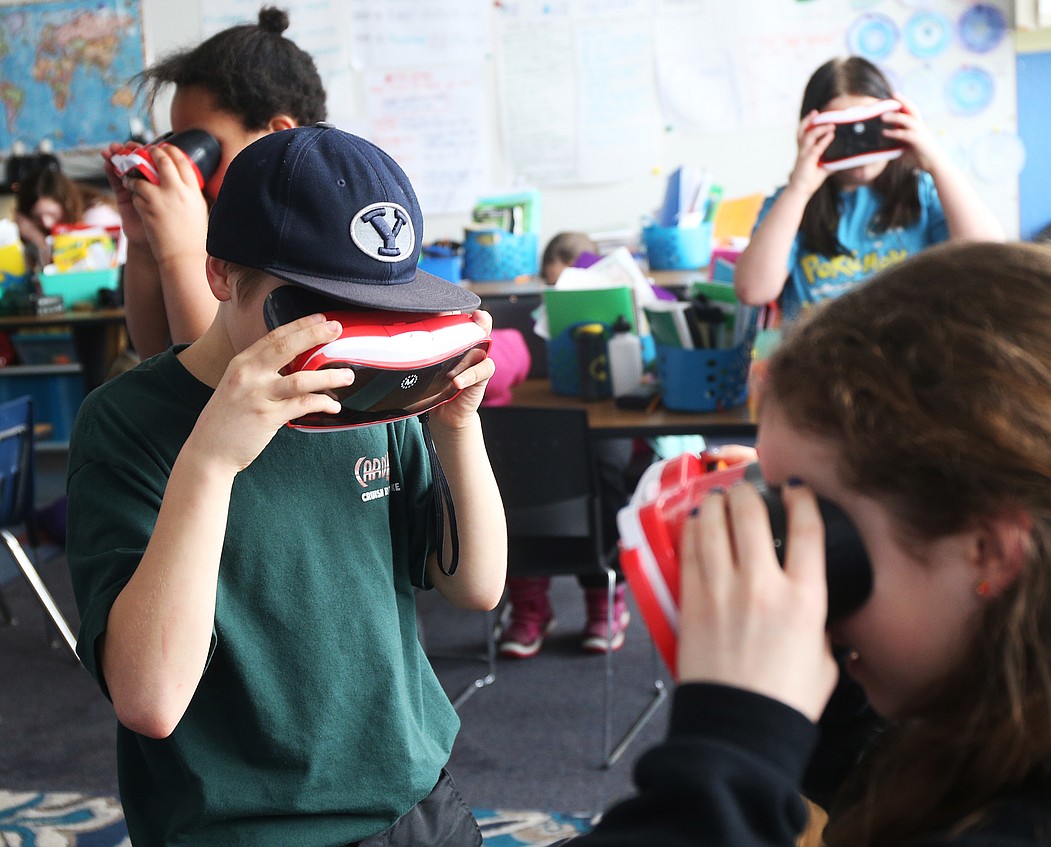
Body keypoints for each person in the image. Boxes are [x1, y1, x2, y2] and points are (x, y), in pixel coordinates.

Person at [565, 240, 1051, 846]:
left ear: (990, 551)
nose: (790, 573)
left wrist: (730, 746)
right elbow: (892, 782)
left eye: (820, 529)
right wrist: (823, 708)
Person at [66, 125, 507, 846]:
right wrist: (210, 460)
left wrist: (457, 426)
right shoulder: (127, 423)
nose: (348, 332)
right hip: (242, 825)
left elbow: (476, 586)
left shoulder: (369, 391)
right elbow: (150, 699)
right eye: (318, 304)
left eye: (375, 306)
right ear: (221, 275)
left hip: (411, 796)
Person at [104, 6, 327, 360]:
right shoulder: (222, 217)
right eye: (178, 140)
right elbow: (155, 356)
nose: (187, 163)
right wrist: (145, 241)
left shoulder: (314, 230)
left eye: (203, 146)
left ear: (279, 136)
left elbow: (208, 378)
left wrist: (181, 253)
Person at [734, 56, 1003, 321]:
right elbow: (753, 291)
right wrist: (800, 189)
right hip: (824, 357)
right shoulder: (791, 205)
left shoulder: (921, 191)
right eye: (843, 132)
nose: (859, 145)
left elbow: (989, 258)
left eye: (869, 127)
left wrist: (936, 163)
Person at [498, 230, 635, 658]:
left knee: (606, 474)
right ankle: (529, 602)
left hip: (603, 419)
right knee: (511, 474)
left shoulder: (623, 315)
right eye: (554, 289)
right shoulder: (524, 324)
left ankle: (603, 594)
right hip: (541, 419)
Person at [15, 163, 121, 270]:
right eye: (37, 217)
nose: (46, 223)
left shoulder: (96, 215)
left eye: (51, 214)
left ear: (67, 203)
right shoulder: (40, 228)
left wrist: (39, 240)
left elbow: (64, 272)